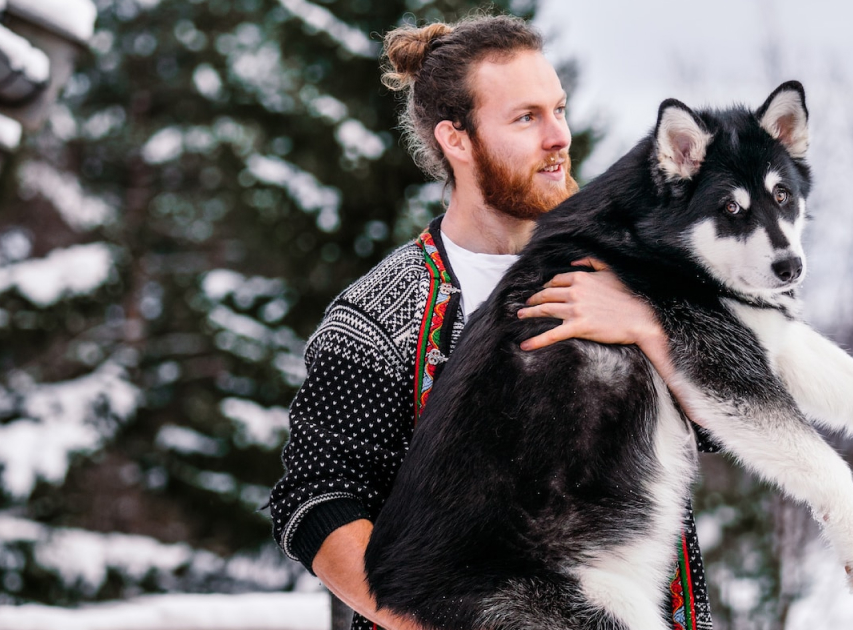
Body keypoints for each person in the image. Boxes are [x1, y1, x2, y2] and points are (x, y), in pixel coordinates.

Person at [269, 14, 714, 630]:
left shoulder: (630, 265)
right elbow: (316, 503)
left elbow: (725, 418)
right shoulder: (375, 316)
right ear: (458, 139)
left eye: (558, 108)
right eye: (526, 117)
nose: (559, 135)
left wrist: (648, 328)